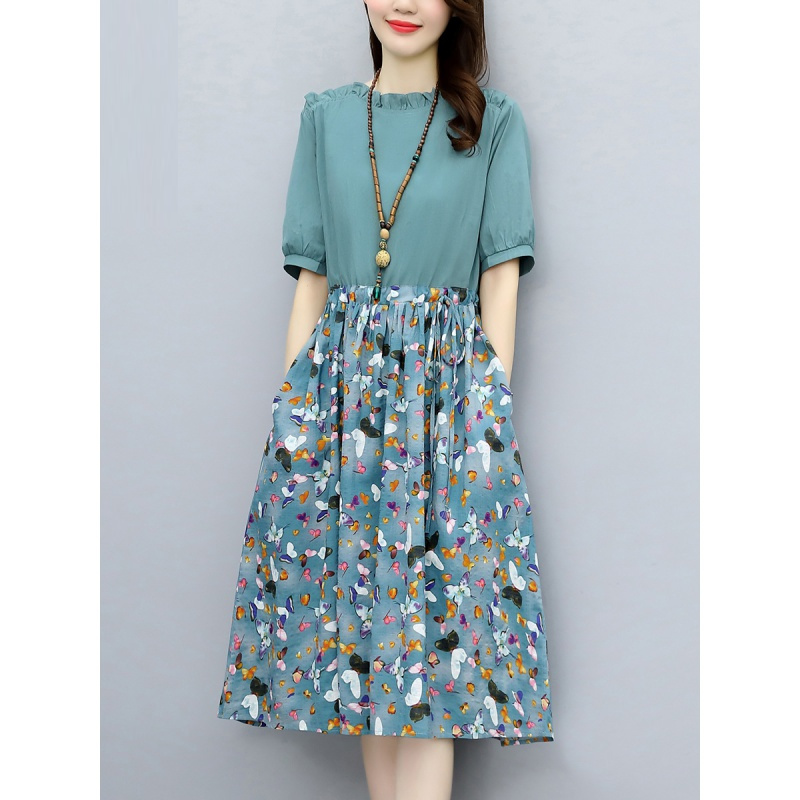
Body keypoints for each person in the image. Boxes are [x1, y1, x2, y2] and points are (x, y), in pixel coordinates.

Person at [217, 2, 554, 798]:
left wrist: (484, 413)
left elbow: (501, 280)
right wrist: (295, 418)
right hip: (336, 409)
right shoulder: (325, 118)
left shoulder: (494, 123)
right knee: (361, 651)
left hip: (447, 409)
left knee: (432, 655)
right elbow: (312, 282)